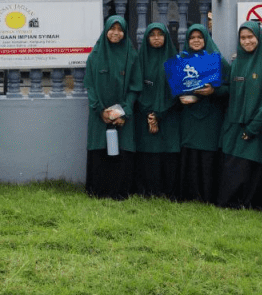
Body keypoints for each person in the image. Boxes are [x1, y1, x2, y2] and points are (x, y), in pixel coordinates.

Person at [218, 21, 262, 209]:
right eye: (243, 38)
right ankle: (229, 204)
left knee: (249, 167)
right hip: (234, 127)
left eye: (251, 37)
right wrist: (212, 91)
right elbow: (231, 92)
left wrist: (253, 128)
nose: (247, 41)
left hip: (256, 129)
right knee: (232, 166)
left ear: (259, 38)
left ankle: (246, 205)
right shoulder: (237, 63)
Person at [83, 16, 142, 200]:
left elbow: (135, 87)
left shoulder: (131, 55)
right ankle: (98, 191)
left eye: (120, 29)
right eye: (112, 28)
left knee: (122, 148)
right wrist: (100, 110)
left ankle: (120, 192)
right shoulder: (94, 56)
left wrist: (124, 111)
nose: (116, 33)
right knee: (100, 147)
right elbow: (90, 86)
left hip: (123, 114)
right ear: (106, 30)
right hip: (99, 114)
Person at [176, 24, 229, 203]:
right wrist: (180, 96)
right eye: (192, 38)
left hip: (210, 117)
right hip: (189, 116)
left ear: (206, 39)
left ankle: (207, 196)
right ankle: (189, 195)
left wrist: (214, 91)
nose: (196, 40)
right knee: (190, 154)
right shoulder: (181, 61)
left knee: (207, 156)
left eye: (200, 37)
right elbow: (173, 88)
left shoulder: (218, 61)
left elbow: (230, 88)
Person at [134, 23, 181, 199]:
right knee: (148, 151)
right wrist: (149, 114)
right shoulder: (139, 60)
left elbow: (178, 90)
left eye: (160, 34)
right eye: (152, 34)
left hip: (169, 115)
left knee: (167, 152)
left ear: (166, 37)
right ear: (146, 38)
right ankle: (147, 191)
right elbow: (135, 87)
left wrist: (159, 114)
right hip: (144, 114)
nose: (156, 38)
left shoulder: (174, 61)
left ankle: (168, 191)